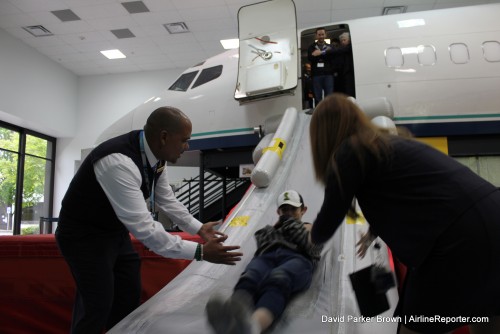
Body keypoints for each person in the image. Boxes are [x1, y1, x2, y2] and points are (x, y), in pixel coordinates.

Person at [309, 93, 500, 334]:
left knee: (416, 326)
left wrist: (310, 240)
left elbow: (330, 216)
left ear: (322, 134)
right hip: (492, 214)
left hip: (457, 239)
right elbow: (411, 189)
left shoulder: (349, 150)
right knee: (488, 315)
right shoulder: (386, 142)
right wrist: (373, 232)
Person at [55, 106, 243, 334]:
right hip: (82, 236)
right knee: (97, 303)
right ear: (164, 137)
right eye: (184, 140)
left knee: (128, 294)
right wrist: (201, 252)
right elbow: (147, 232)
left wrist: (200, 228)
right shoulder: (118, 162)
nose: (188, 146)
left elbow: (167, 200)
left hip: (112, 231)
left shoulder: (156, 156)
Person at [205, 190, 323, 334]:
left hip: (297, 258)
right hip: (266, 257)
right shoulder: (270, 229)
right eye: (285, 210)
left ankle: (254, 325)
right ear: (278, 211)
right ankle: (233, 317)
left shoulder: (308, 227)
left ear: (303, 210)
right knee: (251, 276)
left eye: (294, 209)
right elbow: (261, 241)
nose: (289, 213)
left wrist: (289, 223)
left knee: (279, 277)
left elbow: (310, 244)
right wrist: (278, 226)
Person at [307, 27, 334, 103]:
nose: (321, 36)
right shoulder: (311, 47)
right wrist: (324, 54)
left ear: (325, 35)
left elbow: (331, 58)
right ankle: (319, 113)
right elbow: (310, 58)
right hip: (316, 75)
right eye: (319, 35)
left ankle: (329, 112)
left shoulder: (330, 47)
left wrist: (318, 53)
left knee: (329, 96)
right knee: (317, 96)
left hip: (328, 74)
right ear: (316, 36)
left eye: (322, 34)